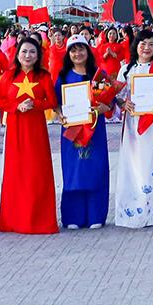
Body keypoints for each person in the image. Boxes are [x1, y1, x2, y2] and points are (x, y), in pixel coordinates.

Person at [0, 35, 59, 234]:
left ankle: (39, 220)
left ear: (38, 55)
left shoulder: (44, 76)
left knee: (37, 173)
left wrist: (35, 105)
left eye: (32, 52)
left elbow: (52, 102)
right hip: (15, 130)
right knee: (16, 173)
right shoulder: (8, 76)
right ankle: (14, 220)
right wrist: (16, 106)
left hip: (36, 130)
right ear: (17, 54)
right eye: (24, 51)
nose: (28, 55)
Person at [115, 28, 153, 229]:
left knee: (150, 165)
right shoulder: (126, 70)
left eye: (150, 44)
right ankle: (129, 212)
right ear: (135, 46)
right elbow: (116, 94)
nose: (146, 48)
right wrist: (122, 104)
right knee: (132, 166)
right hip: (132, 125)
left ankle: (151, 212)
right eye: (142, 43)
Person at [55, 36, 111, 229]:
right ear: (68, 54)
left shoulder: (98, 75)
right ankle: (73, 217)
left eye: (81, 49)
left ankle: (96, 215)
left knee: (95, 170)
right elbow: (56, 104)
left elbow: (110, 101)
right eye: (73, 50)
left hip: (95, 129)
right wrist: (60, 115)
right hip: (72, 131)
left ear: (88, 51)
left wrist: (105, 107)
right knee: (74, 171)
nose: (77, 54)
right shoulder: (63, 77)